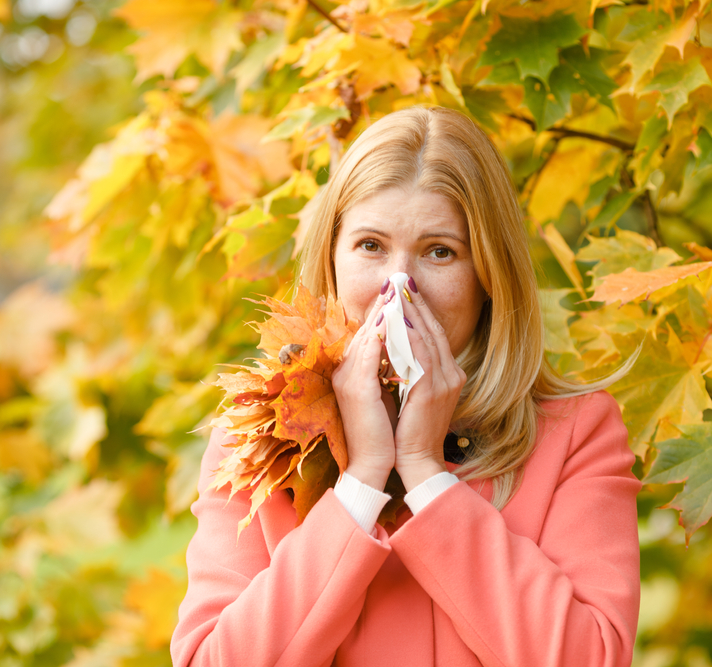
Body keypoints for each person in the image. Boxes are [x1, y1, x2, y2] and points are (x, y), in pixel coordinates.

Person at [171, 106, 641, 667]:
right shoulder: (254, 437)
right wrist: (363, 480)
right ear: (333, 258)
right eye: (371, 245)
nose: (400, 287)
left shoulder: (575, 433)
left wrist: (423, 469)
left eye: (440, 251)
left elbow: (588, 658)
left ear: (489, 276)